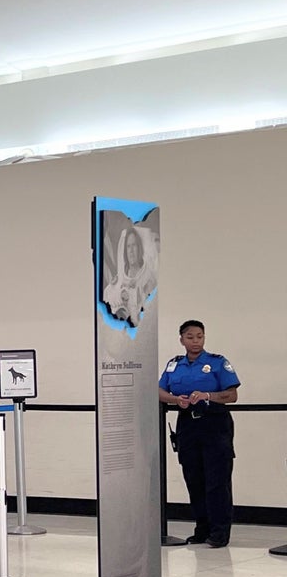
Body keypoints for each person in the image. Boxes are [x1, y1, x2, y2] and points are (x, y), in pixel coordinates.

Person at [158, 320, 240, 548]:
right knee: (194, 478)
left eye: (200, 336)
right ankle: (201, 529)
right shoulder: (175, 365)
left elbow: (231, 395)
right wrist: (176, 400)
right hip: (187, 424)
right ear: (181, 339)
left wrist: (207, 396)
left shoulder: (217, 363)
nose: (195, 341)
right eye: (190, 337)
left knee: (217, 480)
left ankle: (219, 532)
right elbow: (158, 390)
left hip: (214, 423)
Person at [103, 225, 158, 327]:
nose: (131, 251)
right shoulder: (119, 279)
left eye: (134, 245)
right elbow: (106, 301)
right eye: (128, 247)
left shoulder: (148, 278)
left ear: (139, 248)